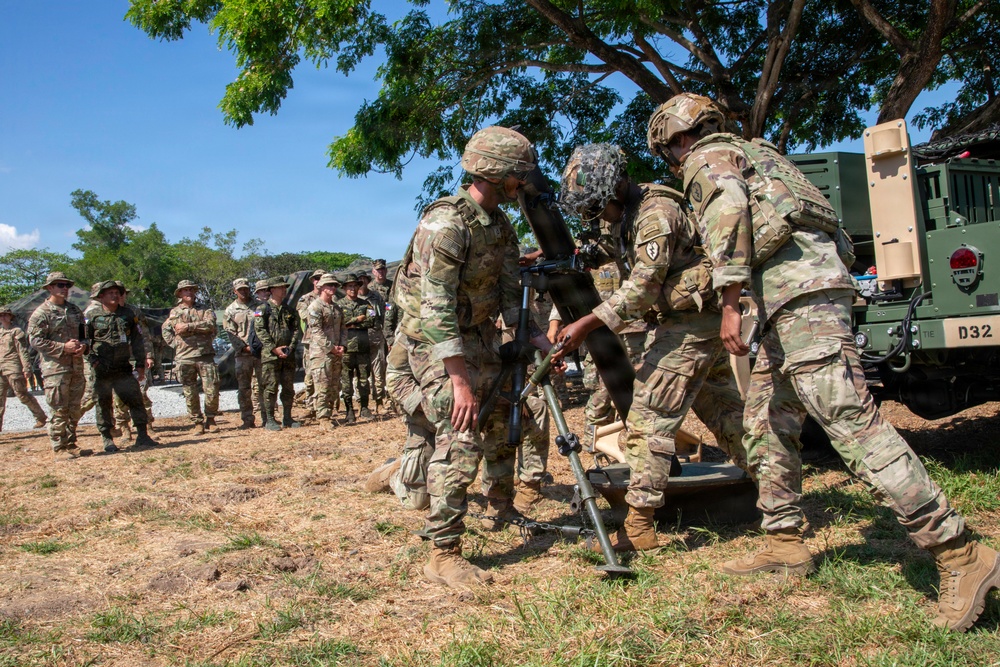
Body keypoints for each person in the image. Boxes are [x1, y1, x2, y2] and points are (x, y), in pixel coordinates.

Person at [651, 92, 1000, 631]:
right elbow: (833, 232)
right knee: (766, 420)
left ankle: (958, 551)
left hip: (799, 301)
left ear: (674, 141)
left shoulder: (708, 158)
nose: (676, 158)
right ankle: (784, 541)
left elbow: (727, 216)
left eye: (671, 150)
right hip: (797, 299)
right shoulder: (765, 156)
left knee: (849, 421)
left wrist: (729, 303)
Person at [555, 143, 748, 551]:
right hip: (693, 322)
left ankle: (639, 526)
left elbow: (642, 288)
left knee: (647, 418)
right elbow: (611, 248)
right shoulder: (627, 215)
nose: (595, 217)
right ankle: (779, 494)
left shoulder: (655, 213)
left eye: (596, 207)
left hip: (689, 326)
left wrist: (586, 324)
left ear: (615, 188)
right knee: (729, 416)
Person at [392, 125, 553, 589]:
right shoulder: (446, 224)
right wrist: (460, 383)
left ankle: (501, 506)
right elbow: (435, 306)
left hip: (477, 336)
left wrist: (538, 341)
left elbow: (509, 295)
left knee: (504, 413)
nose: (524, 183)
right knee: (460, 430)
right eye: (520, 174)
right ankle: (443, 553)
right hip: (433, 342)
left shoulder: (500, 225)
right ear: (499, 173)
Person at [85, 281, 159, 452]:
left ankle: (143, 435)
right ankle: (107, 438)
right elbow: (83, 340)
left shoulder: (128, 314)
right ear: (101, 296)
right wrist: (92, 359)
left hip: (123, 367)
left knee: (135, 400)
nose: (114, 295)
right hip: (102, 368)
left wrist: (140, 364)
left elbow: (138, 340)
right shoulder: (92, 316)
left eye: (117, 292)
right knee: (103, 403)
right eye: (110, 293)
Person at [27, 272, 88, 459]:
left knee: (74, 408)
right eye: (60, 285)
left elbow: (85, 334)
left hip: (76, 366)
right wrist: (63, 347)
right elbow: (35, 341)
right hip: (55, 369)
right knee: (58, 408)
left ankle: (71, 443)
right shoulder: (42, 313)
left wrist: (83, 346)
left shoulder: (74, 310)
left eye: (66, 285)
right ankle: (59, 447)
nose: (64, 289)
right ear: (50, 288)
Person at [162, 280, 220, 434]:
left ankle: (211, 419)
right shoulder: (175, 312)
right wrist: (176, 344)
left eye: (191, 289)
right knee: (190, 391)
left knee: (212, 388)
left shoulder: (205, 309)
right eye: (185, 290)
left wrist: (188, 326)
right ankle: (197, 422)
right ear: (180, 293)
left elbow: (211, 325)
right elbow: (170, 329)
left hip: (205, 355)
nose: (189, 292)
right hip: (185, 356)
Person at [254, 276, 302, 431]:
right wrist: (273, 348)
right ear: (272, 290)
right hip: (270, 356)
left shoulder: (289, 310)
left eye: (284, 287)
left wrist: (290, 347)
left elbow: (296, 329)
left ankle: (287, 417)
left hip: (287, 355)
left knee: (288, 388)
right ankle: (269, 419)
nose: (284, 290)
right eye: (280, 287)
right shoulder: (262, 309)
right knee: (270, 387)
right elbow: (260, 330)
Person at [111, 281, 155, 442]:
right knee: (119, 396)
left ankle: (147, 425)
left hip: (137, 358)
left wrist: (148, 355)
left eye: (122, 293)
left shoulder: (134, 311)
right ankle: (124, 428)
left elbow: (144, 335)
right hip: (118, 360)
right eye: (115, 293)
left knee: (141, 393)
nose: (119, 296)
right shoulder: (106, 312)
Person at [306, 273, 346, 431]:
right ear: (321, 287)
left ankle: (329, 413)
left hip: (336, 352)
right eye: (330, 285)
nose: (333, 288)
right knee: (322, 386)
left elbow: (343, 328)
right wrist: (331, 347)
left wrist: (342, 345)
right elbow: (316, 331)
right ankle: (323, 418)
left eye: (335, 285)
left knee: (334, 386)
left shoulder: (337, 308)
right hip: (321, 353)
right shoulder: (315, 307)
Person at [224, 278, 264, 429]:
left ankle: (267, 417)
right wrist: (244, 347)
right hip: (243, 355)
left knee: (264, 385)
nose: (243, 291)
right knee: (244, 388)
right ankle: (247, 419)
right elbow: (230, 333)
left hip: (260, 353)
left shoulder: (259, 306)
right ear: (235, 291)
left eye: (246, 288)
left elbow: (265, 326)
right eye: (240, 289)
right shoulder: (230, 310)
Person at [0, 305, 48, 431]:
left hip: (13, 367)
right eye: (1, 315)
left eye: (5, 315)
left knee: (22, 394)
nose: (3, 317)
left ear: (10, 317)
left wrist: (26, 368)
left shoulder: (16, 331)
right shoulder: (0, 332)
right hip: (1, 368)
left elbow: (22, 351)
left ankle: (40, 417)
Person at [337, 273, 376, 423]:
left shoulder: (367, 304)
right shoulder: (339, 305)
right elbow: (340, 323)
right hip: (346, 348)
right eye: (349, 286)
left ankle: (364, 408)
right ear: (345, 288)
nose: (353, 289)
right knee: (346, 382)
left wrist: (351, 324)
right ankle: (349, 410)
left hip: (362, 347)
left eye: (355, 286)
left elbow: (372, 321)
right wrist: (357, 320)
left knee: (364, 380)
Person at [297, 269, 325, 421]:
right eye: (316, 278)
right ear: (313, 281)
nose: (319, 281)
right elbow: (305, 316)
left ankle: (325, 407)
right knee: (310, 376)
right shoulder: (305, 299)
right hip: (311, 342)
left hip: (327, 342)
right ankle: (310, 407)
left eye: (322, 278)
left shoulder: (332, 299)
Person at [358, 271, 388, 411]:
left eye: (364, 279)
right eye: (359, 280)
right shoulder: (352, 299)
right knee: (360, 373)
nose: (362, 282)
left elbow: (386, 311)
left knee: (379, 370)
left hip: (376, 336)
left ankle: (379, 401)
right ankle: (361, 404)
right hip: (359, 338)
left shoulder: (376, 296)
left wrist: (386, 332)